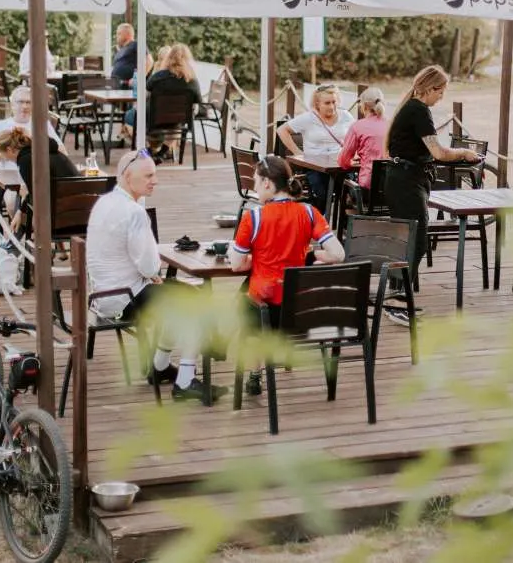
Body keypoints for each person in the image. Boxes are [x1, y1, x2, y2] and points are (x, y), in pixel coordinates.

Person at [86, 149, 214, 402]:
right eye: (148, 175)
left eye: (154, 174)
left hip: (101, 297)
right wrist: (152, 274)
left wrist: (151, 275)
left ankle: (160, 367)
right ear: (126, 176)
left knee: (176, 292)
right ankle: (185, 381)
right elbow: (149, 265)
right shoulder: (134, 213)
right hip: (125, 301)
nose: (154, 180)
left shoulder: (103, 202)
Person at [229, 155, 345, 395]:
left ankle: (254, 373)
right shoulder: (310, 212)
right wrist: (312, 256)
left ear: (268, 184)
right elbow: (338, 254)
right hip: (300, 310)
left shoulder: (254, 218)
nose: (254, 186)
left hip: (266, 311)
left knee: (245, 299)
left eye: (256, 181)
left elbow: (236, 264)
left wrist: (255, 258)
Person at [383, 66, 480, 278]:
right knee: (416, 243)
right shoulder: (418, 110)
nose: (441, 97)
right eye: (440, 92)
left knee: (406, 241)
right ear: (429, 88)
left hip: (401, 179)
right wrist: (464, 152)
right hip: (407, 182)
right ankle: (400, 294)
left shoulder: (409, 107)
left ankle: (398, 291)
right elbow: (439, 152)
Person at [278, 84, 355, 210]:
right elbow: (282, 130)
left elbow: (356, 134)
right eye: (327, 103)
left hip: (339, 165)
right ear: (317, 104)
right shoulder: (308, 118)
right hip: (315, 167)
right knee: (321, 192)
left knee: (349, 190)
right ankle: (319, 221)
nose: (332, 106)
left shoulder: (345, 116)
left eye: (334, 102)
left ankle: (343, 225)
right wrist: (298, 152)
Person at [124, 43, 200, 163]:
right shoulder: (192, 80)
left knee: (129, 116)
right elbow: (197, 102)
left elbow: (144, 96)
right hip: (178, 121)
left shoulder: (158, 76)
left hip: (154, 120)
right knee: (177, 121)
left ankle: (147, 151)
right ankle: (162, 152)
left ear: (168, 58)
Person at [0, 85, 63, 169]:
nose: (25, 106)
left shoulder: (42, 124)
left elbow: (63, 152)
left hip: (38, 176)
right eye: (20, 102)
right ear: (12, 105)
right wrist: (9, 151)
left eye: (28, 102)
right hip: (10, 178)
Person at [338, 86, 389, 201]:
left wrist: (352, 162)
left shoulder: (358, 126)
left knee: (345, 190)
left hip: (367, 193)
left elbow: (343, 161)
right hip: (390, 193)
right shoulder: (392, 125)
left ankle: (344, 219)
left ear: (364, 106)